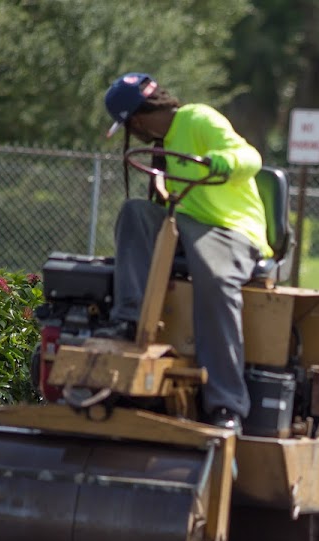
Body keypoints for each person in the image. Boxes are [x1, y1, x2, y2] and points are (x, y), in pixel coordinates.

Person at [99, 72, 272, 432]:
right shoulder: (161, 145)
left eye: (131, 127)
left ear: (140, 120)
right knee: (135, 213)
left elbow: (250, 157)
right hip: (187, 223)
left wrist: (222, 163)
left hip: (230, 228)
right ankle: (128, 318)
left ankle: (227, 405)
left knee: (215, 278)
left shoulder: (198, 118)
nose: (137, 135)